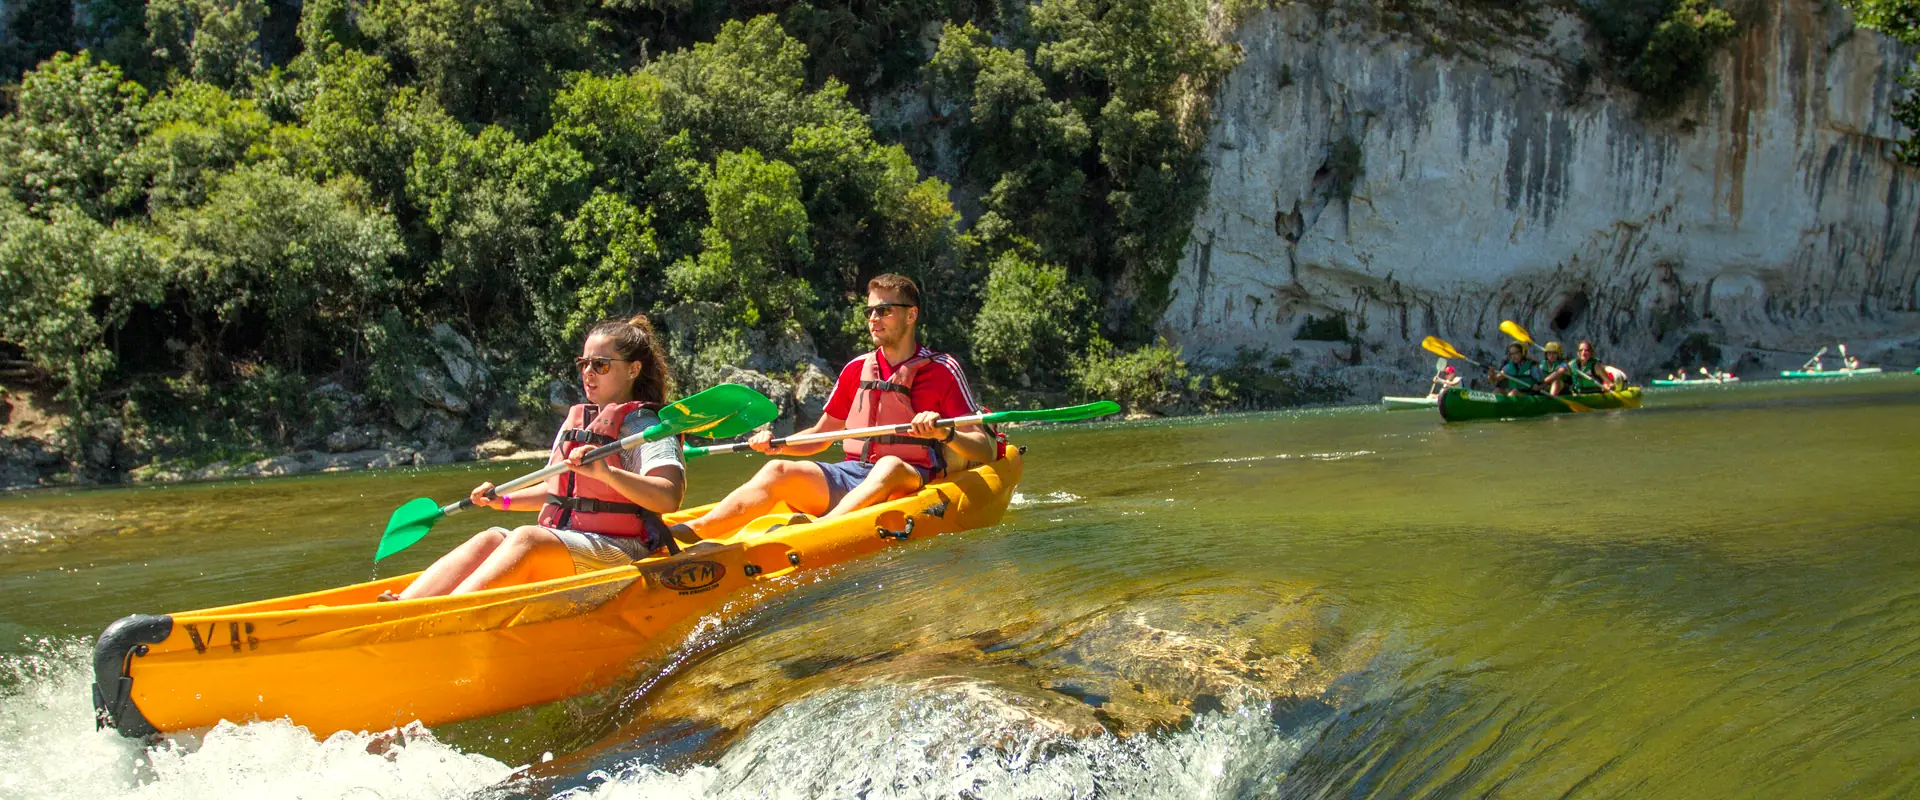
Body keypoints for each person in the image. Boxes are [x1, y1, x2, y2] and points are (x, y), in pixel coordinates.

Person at [669, 274, 998, 541]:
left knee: (889, 466)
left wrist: (947, 431)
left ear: (911, 315)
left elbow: (983, 449)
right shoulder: (856, 370)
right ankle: (687, 535)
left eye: (884, 310)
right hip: (855, 474)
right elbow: (822, 436)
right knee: (777, 471)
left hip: (915, 477)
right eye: (869, 311)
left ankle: (814, 534)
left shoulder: (942, 369)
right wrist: (776, 445)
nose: (873, 318)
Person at [391, 315, 686, 599]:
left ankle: (442, 615)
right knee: (491, 537)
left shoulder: (646, 427)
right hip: (568, 540)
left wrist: (607, 474)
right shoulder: (579, 421)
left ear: (633, 369)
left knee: (527, 538)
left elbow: (668, 497)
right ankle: (400, 607)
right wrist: (503, 501)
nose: (588, 372)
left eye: (600, 365)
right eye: (584, 364)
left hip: (621, 548)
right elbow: (554, 491)